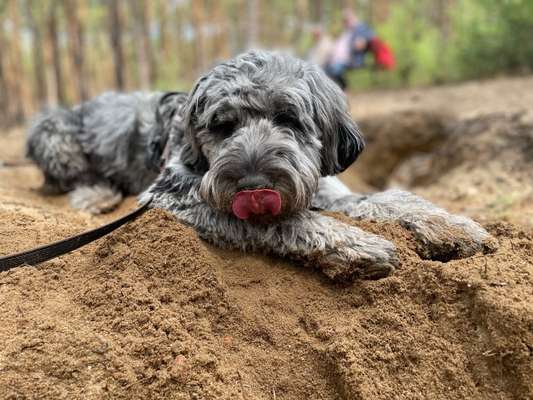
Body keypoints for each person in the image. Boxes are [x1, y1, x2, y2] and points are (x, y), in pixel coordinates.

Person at [325, 9, 375, 89]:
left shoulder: (361, 28)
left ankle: (343, 87)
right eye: (344, 20)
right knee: (325, 69)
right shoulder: (345, 32)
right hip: (338, 59)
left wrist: (362, 42)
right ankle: (338, 89)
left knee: (334, 70)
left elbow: (370, 37)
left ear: (354, 18)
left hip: (351, 59)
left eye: (348, 20)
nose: (346, 22)